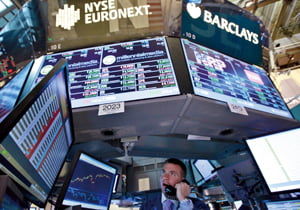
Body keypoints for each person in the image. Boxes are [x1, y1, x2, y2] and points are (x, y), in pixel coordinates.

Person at [140, 158, 209, 210]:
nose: (164, 177)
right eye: (163, 172)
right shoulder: (146, 206)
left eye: (172, 173)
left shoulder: (198, 205)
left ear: (182, 180)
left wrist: (184, 202)